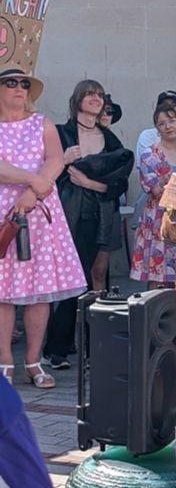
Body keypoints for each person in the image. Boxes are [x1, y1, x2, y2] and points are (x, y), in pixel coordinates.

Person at [0, 70, 86, 390]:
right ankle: (4, 362)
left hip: (39, 216)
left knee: (40, 291)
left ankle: (34, 361)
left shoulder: (42, 123)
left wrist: (34, 190)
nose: (19, 88)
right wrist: (31, 179)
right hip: (3, 218)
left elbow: (54, 160)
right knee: (2, 293)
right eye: (11, 83)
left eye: (24, 84)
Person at [43, 80, 133, 371]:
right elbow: (42, 175)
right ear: (77, 99)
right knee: (73, 280)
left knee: (94, 281)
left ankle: (90, 347)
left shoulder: (111, 140)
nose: (96, 99)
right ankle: (57, 349)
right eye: (90, 94)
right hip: (68, 216)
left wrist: (89, 182)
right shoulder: (61, 133)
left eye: (99, 95)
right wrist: (62, 160)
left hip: (100, 217)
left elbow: (119, 183)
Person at [130, 102, 176, 289]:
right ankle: (154, 319)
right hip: (159, 220)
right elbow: (158, 191)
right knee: (157, 278)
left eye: (172, 120)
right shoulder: (149, 154)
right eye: (162, 123)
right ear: (157, 129)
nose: (168, 126)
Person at [90, 93, 124, 291]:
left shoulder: (115, 144)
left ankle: (98, 317)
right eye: (102, 111)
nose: (106, 115)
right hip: (83, 209)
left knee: (100, 269)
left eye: (110, 111)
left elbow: (119, 182)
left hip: (109, 208)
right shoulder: (78, 137)